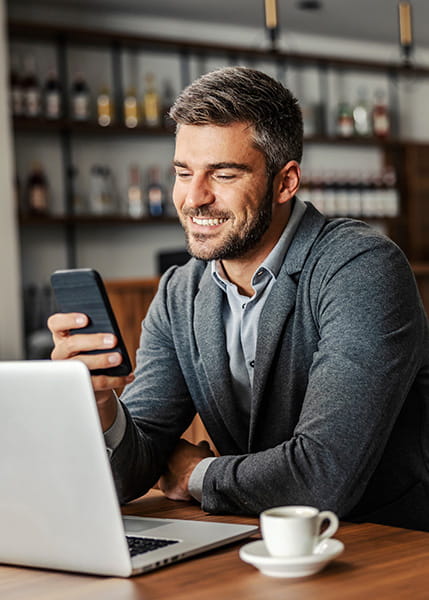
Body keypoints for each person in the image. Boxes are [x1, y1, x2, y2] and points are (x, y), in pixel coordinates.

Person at [49, 66, 429, 531]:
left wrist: (194, 474)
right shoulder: (179, 292)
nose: (193, 198)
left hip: (386, 545)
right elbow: (137, 464)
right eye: (183, 172)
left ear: (285, 182)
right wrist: (103, 406)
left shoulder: (361, 268)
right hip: (256, 541)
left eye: (223, 174)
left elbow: (323, 477)